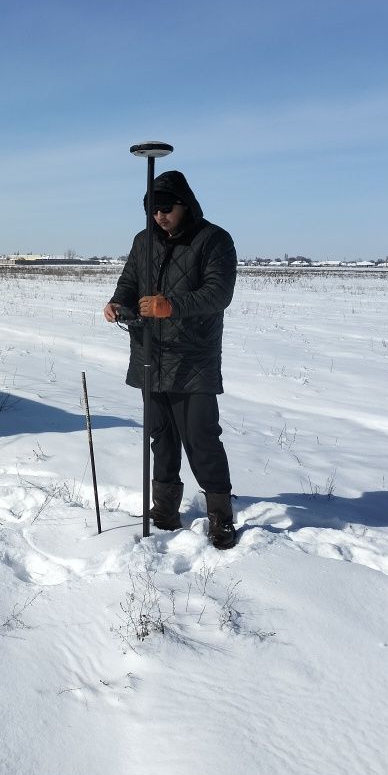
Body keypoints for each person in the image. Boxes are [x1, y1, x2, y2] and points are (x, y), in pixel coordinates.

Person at [103, 170, 238, 549]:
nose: (160, 215)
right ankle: (164, 510)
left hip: (193, 358)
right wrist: (118, 304)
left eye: (166, 208)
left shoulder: (214, 240)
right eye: (153, 209)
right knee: (160, 437)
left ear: (186, 204)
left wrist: (171, 305)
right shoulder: (143, 240)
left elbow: (218, 293)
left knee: (200, 437)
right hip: (150, 353)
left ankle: (220, 516)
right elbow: (129, 283)